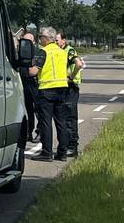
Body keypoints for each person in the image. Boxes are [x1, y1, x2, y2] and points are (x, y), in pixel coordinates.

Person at [29, 26, 70, 161]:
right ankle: (62, 153)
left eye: (40, 37)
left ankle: (47, 152)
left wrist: (27, 67)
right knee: (61, 122)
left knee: (45, 122)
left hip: (47, 89)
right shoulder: (62, 52)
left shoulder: (43, 52)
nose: (39, 39)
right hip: (62, 89)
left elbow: (34, 72)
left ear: (46, 38)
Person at [56, 32, 84, 157]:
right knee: (64, 117)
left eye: (57, 40)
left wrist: (71, 77)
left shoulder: (69, 51)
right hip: (63, 87)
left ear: (63, 40)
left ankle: (73, 147)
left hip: (71, 87)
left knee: (70, 118)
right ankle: (67, 145)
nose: (55, 42)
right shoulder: (60, 51)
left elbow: (79, 64)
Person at [18, 32, 39, 143]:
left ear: (33, 42)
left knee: (39, 109)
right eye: (24, 41)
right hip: (24, 83)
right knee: (27, 109)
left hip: (34, 84)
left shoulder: (37, 52)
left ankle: (40, 132)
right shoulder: (20, 52)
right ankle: (28, 132)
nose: (25, 44)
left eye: (28, 41)